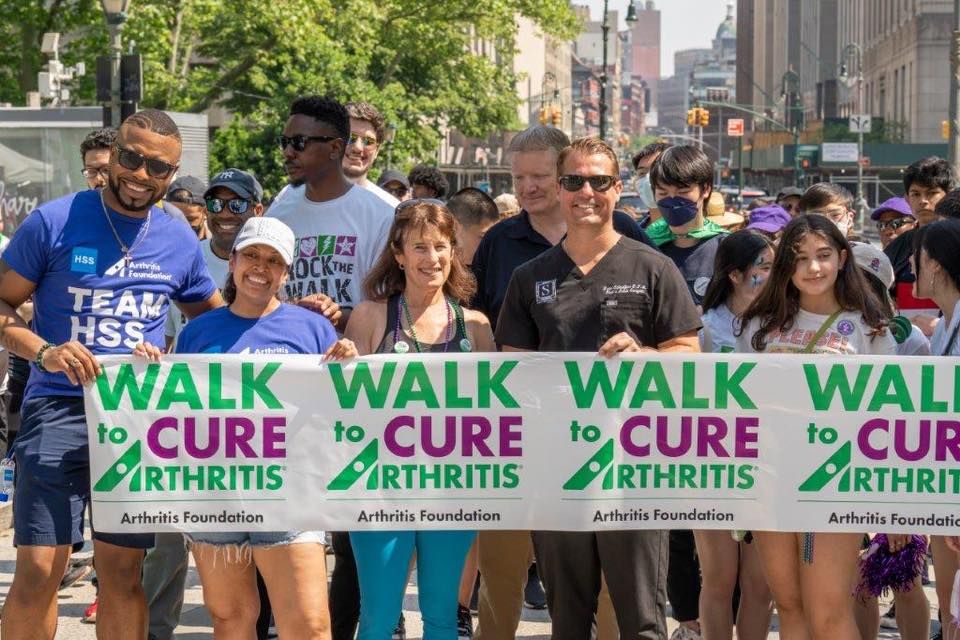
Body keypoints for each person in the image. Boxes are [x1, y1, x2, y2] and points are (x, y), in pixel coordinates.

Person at [0, 108, 222, 640]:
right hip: (57, 410)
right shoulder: (54, 221)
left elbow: (216, 325)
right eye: (132, 158)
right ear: (112, 156)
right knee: (38, 570)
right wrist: (45, 351)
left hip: (137, 423)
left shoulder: (177, 240)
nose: (142, 175)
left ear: (173, 174)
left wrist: (172, 356)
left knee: (122, 574)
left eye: (159, 168)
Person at [496, 137, 702, 640]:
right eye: (574, 181)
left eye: (599, 181)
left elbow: (689, 355)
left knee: (642, 620)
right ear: (561, 189)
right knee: (567, 618)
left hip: (633, 468)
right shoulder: (530, 278)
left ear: (618, 189)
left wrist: (647, 356)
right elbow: (511, 370)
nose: (586, 192)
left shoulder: (653, 267)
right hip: (555, 468)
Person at [469, 125, 651, 640]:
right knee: (502, 573)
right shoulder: (500, 242)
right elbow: (477, 323)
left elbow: (676, 341)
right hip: (524, 439)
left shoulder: (629, 237)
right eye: (518, 177)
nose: (529, 187)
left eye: (541, 176)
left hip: (616, 442)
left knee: (615, 587)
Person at [175, 216, 353, 639]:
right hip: (214, 492)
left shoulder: (313, 328)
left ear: (286, 272)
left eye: (273, 260)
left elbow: (341, 408)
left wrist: (349, 363)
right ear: (233, 260)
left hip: (289, 493)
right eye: (252, 254)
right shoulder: (198, 332)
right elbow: (172, 408)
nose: (260, 266)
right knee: (232, 618)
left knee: (308, 625)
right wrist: (145, 368)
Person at [266, 94, 392, 640]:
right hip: (289, 388)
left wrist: (346, 316)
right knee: (287, 520)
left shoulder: (379, 212)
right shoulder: (280, 209)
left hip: (352, 385)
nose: (288, 152)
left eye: (299, 142)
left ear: (336, 148)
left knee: (348, 529)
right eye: (285, 141)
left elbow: (394, 302)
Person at [735, 214, 895, 640]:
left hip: (836, 480)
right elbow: (738, 404)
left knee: (828, 612)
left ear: (843, 258)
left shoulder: (869, 328)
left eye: (823, 256)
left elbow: (891, 417)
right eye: (800, 258)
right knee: (789, 607)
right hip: (770, 481)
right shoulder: (758, 328)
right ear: (785, 264)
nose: (813, 268)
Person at [344, 199, 496, 639]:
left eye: (441, 246)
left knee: (443, 616)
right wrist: (340, 363)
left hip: (452, 489)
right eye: (419, 247)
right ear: (398, 253)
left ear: (455, 251)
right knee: (377, 617)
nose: (432, 259)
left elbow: (498, 412)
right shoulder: (372, 315)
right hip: (380, 491)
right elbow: (343, 402)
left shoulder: (477, 326)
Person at [846, 241, 930, 640]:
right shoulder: (833, 330)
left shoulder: (908, 338)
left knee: (904, 579)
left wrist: (897, 508)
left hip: (898, 471)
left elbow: (918, 419)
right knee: (858, 581)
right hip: (845, 469)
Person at [696, 230, 776, 639]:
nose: (771, 273)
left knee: (760, 586)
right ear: (734, 274)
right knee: (719, 580)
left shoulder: (783, 323)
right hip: (713, 464)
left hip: (769, 467)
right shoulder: (704, 327)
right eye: (763, 266)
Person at [908, 218, 960, 638]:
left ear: (937, 265)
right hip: (946, 495)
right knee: (949, 612)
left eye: (918, 256)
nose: (910, 264)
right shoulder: (944, 325)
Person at [648, 144, 728, 308]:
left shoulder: (726, 249)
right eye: (663, 193)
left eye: (682, 192)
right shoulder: (644, 247)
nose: (672, 200)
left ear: (705, 189)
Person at [885, 157, 955, 332]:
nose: (923, 200)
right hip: (908, 350)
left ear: (949, 195)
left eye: (931, 193)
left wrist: (940, 328)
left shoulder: (956, 243)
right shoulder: (895, 249)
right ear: (907, 199)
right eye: (916, 194)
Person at [344, 101, 399, 206]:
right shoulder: (305, 198)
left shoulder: (390, 209)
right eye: (350, 137)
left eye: (368, 142)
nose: (358, 147)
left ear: (377, 150)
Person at [447, 187, 501, 266]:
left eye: (496, 238)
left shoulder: (495, 269)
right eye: (484, 237)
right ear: (456, 228)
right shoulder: (433, 271)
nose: (494, 246)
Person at [631, 141, 671, 226]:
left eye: (656, 171)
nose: (647, 178)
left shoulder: (689, 235)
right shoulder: (634, 232)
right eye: (642, 173)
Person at [166, 175, 210, 240]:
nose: (183, 226)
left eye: (190, 220)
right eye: (174, 218)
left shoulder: (218, 246)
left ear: (206, 213)